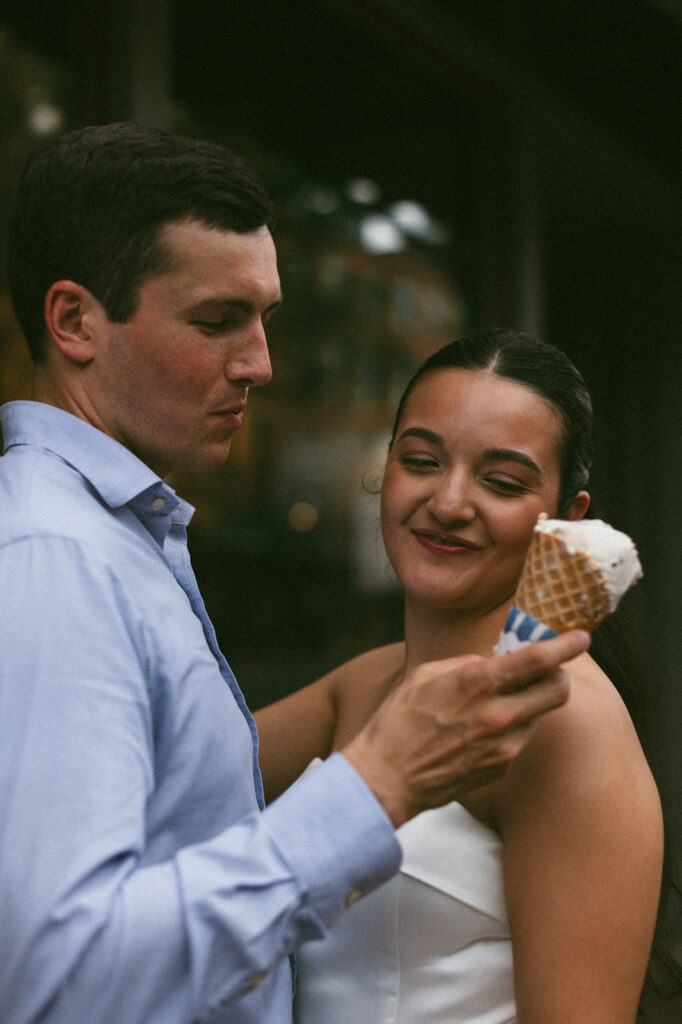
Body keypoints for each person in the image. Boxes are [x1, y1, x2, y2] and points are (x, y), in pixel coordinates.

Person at [0, 126, 589, 1024]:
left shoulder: (122, 543)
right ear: (74, 320)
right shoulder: (57, 559)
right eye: (215, 321)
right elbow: (57, 979)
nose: (261, 364)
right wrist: (380, 780)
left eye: (264, 318)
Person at [254, 330, 664, 1024]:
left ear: (566, 520)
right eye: (420, 461)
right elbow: (185, 782)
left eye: (501, 482)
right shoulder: (367, 681)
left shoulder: (566, 722)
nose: (448, 502)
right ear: (383, 468)